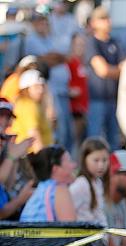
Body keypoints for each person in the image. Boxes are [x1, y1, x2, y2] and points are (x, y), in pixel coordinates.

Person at [23, 10, 73, 152]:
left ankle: (63, 158)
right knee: (56, 127)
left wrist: (57, 57)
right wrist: (56, 57)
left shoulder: (51, 37)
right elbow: (45, 60)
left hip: (62, 89)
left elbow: (66, 56)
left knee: (66, 130)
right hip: (47, 90)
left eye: (44, 21)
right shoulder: (31, 39)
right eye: (39, 21)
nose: (43, 24)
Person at [85, 6, 122, 149]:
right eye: (102, 19)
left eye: (107, 18)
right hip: (96, 99)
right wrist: (117, 70)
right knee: (95, 140)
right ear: (94, 22)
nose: (107, 22)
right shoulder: (91, 42)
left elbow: (124, 67)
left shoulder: (115, 42)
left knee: (114, 140)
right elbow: (102, 70)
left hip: (113, 98)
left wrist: (114, 69)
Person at [19, 145, 78, 222]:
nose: (74, 165)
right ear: (56, 169)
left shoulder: (42, 188)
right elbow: (71, 231)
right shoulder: (59, 189)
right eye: (69, 161)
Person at [68, 137, 110, 225]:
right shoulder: (81, 184)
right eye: (96, 160)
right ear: (85, 160)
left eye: (104, 160)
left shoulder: (98, 182)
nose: (101, 165)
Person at [11, 69, 52, 153]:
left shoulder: (32, 104)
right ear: (26, 89)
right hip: (32, 157)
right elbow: (34, 135)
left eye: (42, 86)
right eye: (36, 87)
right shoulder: (28, 105)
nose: (41, 90)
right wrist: (44, 159)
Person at [67, 32, 89, 145]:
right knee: (74, 140)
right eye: (78, 44)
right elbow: (66, 84)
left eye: (82, 44)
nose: (81, 47)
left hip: (83, 107)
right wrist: (71, 91)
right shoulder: (70, 62)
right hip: (75, 109)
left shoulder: (82, 62)